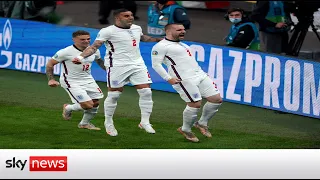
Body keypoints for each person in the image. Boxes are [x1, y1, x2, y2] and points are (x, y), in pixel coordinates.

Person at [72, 8, 162, 137]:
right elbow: (94, 47)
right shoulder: (107, 31)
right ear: (117, 18)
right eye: (126, 16)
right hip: (117, 66)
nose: (130, 17)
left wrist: (159, 40)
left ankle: (144, 122)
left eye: (131, 15)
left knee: (146, 92)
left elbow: (143, 38)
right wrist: (81, 57)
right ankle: (108, 122)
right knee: (114, 95)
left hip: (137, 65)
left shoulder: (136, 28)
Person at [151, 23, 223, 142]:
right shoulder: (161, 46)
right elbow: (156, 64)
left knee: (216, 99)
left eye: (184, 29)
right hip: (183, 79)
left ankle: (202, 123)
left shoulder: (183, 44)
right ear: (168, 31)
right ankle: (186, 129)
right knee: (195, 104)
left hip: (200, 75)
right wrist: (168, 78)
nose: (183, 31)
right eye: (179, 30)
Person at [46, 30, 106, 130]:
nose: (86, 41)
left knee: (95, 103)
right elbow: (50, 64)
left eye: (88, 39)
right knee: (87, 105)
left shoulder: (94, 50)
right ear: (74, 40)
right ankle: (68, 108)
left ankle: (84, 124)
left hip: (88, 79)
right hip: (71, 81)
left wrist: (109, 71)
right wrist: (51, 79)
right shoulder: (65, 52)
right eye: (82, 39)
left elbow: (99, 61)